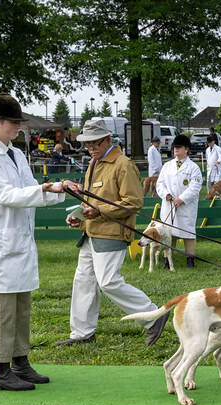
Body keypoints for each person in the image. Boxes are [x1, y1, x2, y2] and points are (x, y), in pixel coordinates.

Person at [0, 94, 81, 390]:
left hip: (20, 239)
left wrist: (59, 188)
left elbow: (30, 189)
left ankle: (20, 362)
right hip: (0, 240)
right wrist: (42, 190)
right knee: (3, 309)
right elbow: (5, 195)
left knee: (22, 305)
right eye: (14, 123)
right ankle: (0, 370)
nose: (19, 128)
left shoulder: (17, 154)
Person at [56, 119, 168, 347]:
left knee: (108, 282)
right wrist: (78, 215)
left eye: (95, 143)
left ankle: (153, 316)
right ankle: (82, 334)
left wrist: (99, 211)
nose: (91, 148)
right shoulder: (94, 163)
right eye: (87, 145)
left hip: (112, 232)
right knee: (83, 282)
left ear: (107, 140)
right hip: (91, 232)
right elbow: (91, 198)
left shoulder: (123, 164)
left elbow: (134, 202)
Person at [156, 134, 203, 268]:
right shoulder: (167, 166)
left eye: (179, 147)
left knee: (188, 233)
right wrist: (167, 195)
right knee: (169, 234)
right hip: (169, 205)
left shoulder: (193, 168)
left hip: (186, 206)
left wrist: (181, 199)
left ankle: (190, 260)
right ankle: (167, 260)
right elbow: (160, 184)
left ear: (186, 149)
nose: (176, 149)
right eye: (175, 147)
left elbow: (195, 187)